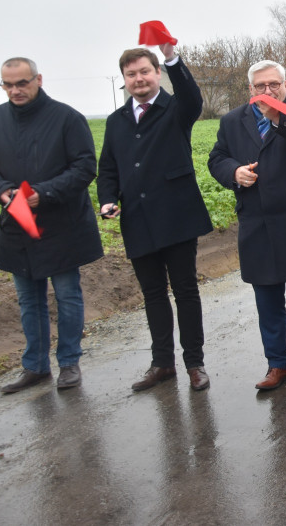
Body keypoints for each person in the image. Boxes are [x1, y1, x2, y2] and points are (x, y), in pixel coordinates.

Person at [208, 60, 286, 393]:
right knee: (268, 304)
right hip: (258, 224)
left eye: (274, 85)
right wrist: (234, 172)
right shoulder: (233, 120)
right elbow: (216, 158)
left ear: (285, 84)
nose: (268, 91)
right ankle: (278, 364)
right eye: (261, 86)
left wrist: (278, 115)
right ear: (250, 89)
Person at [97, 43, 214, 393]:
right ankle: (162, 363)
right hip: (137, 219)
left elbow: (193, 97)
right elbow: (108, 170)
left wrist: (172, 59)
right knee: (152, 295)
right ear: (124, 80)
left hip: (176, 216)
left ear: (156, 73)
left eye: (145, 71)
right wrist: (107, 201)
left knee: (185, 291)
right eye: (131, 74)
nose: (139, 79)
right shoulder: (116, 122)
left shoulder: (176, 108)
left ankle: (194, 362)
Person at [0, 57, 102, 393]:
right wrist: (2, 191)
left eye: (21, 83)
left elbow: (85, 166)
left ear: (38, 79)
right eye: (7, 85)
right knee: (28, 300)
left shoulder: (66, 118)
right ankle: (35, 366)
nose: (14, 90)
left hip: (62, 225)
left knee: (67, 296)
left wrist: (44, 192)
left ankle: (69, 363)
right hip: (17, 226)